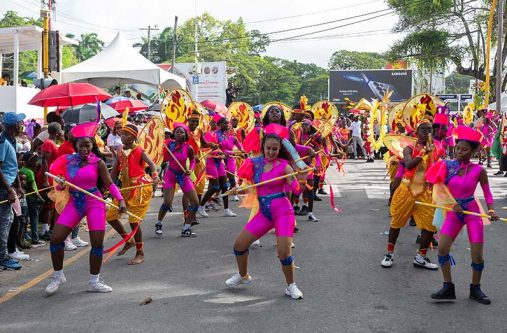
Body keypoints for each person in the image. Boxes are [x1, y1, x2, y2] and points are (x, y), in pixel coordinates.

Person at [225, 124, 306, 299]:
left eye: (275, 149)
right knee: (239, 245)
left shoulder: (285, 167)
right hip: (264, 213)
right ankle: (243, 275)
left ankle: (291, 286)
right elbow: (249, 187)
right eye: (268, 148)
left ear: (279, 149)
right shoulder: (254, 163)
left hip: (283, 212)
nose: (271, 152)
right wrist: (236, 190)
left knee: (284, 252)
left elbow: (297, 190)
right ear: (263, 147)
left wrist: (302, 179)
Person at [44, 122, 126, 295]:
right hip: (75, 202)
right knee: (56, 239)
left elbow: (109, 184)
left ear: (91, 146)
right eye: (81, 145)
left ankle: (94, 281)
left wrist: (120, 200)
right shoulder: (67, 161)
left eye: (87, 145)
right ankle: (58, 276)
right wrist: (60, 184)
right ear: (76, 146)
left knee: (97, 242)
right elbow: (59, 187)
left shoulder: (98, 163)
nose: (84, 149)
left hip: (94, 201)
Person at [427, 126, 498, 304]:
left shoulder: (478, 171)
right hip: (453, 212)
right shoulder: (446, 166)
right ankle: (448, 287)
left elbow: (487, 192)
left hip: (472, 213)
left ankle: (475, 288)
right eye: (458, 148)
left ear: (474, 151)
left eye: (465, 149)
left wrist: (490, 210)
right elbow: (438, 188)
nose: (459, 152)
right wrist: (451, 204)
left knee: (477, 256)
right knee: (442, 249)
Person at [381, 119, 441, 270]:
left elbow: (437, 169)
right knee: (396, 223)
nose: (427, 132)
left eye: (430, 130)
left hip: (425, 192)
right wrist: (423, 153)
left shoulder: (437, 149)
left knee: (429, 226)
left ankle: (420, 257)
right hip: (406, 190)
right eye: (424, 130)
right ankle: (389, 254)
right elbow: (409, 164)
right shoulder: (409, 148)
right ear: (416, 132)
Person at [106, 123, 159, 265]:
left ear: (134, 136)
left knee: (133, 221)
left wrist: (155, 176)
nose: (122, 136)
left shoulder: (139, 150)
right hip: (124, 188)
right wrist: (108, 185)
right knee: (110, 216)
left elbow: (152, 164)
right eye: (121, 134)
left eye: (126, 134)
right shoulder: (120, 151)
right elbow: (114, 170)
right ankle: (128, 240)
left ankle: (140, 252)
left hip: (139, 188)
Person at [156, 123, 199, 237]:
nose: (179, 133)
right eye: (177, 132)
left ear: (185, 135)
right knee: (167, 202)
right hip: (170, 175)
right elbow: (162, 156)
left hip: (183, 175)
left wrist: (190, 169)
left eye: (182, 132)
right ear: (173, 134)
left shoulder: (188, 148)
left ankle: (186, 228)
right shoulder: (168, 145)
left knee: (195, 203)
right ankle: (159, 223)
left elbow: (193, 160)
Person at [0, 112, 26, 270]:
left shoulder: (12, 140)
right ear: (14, 125)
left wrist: (18, 186)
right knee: (3, 224)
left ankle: (4, 254)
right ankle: (2, 257)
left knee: (8, 221)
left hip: (9, 186)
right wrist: (9, 189)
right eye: (19, 121)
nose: (22, 123)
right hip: (3, 189)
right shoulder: (2, 142)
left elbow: (13, 166)